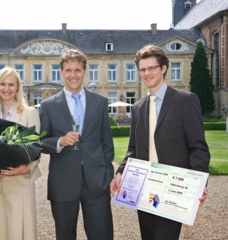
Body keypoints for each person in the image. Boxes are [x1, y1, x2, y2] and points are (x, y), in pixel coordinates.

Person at [110, 45, 210, 240]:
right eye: (142, 69)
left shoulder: (185, 100)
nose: (147, 73)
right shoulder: (138, 107)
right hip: (144, 188)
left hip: (173, 188)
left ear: (163, 68)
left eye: (152, 68)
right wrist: (120, 171)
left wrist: (199, 183)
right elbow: (133, 149)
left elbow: (198, 147)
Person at [39, 49, 114, 240]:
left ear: (85, 71)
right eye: (69, 70)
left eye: (78, 70)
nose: (73, 75)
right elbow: (40, 143)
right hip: (63, 182)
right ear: (61, 72)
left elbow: (107, 144)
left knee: (102, 235)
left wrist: (107, 176)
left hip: (96, 182)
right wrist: (60, 141)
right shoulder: (48, 105)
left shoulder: (100, 102)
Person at [0, 67, 41, 240]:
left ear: (17, 88)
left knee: (19, 232)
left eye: (11, 84)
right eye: (3, 84)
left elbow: (35, 149)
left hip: (20, 183)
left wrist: (25, 169)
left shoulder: (29, 113)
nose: (6, 88)